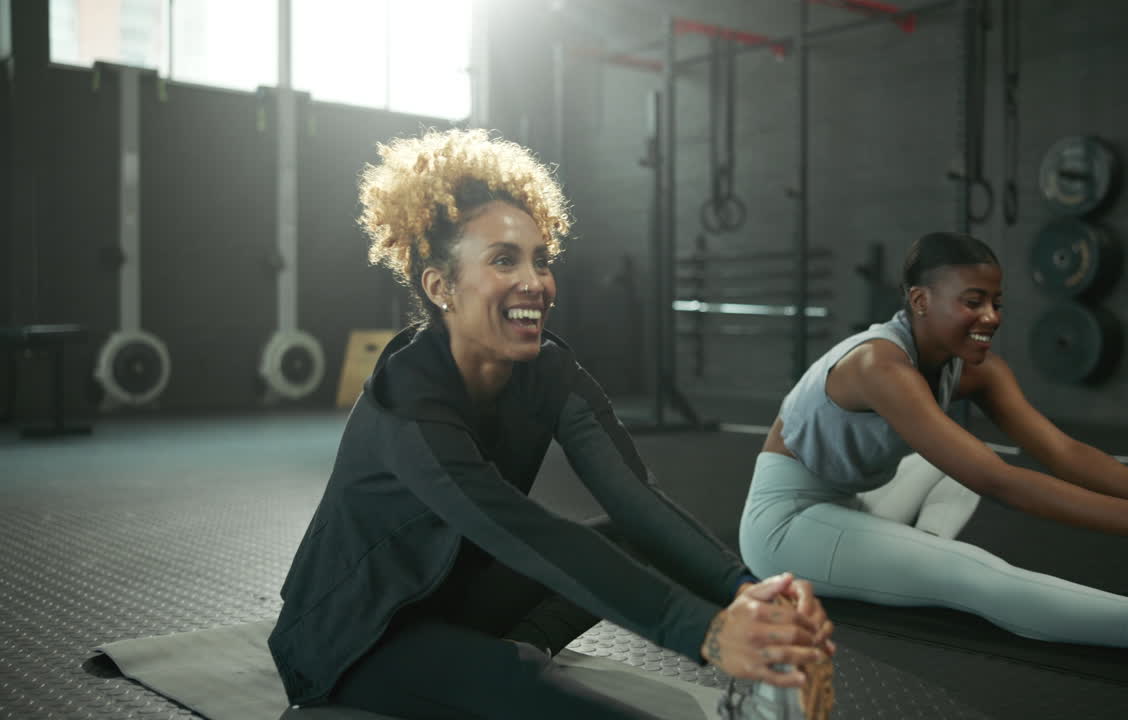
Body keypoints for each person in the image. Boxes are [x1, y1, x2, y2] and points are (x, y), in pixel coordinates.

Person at [267, 128, 835, 720]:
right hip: (356, 635)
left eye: (541, 259)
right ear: (441, 288)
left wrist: (750, 593)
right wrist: (709, 633)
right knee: (520, 686)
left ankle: (501, 652)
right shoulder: (408, 402)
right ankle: (493, 665)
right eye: (503, 260)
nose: (534, 282)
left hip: (454, 595)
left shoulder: (548, 370)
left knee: (628, 541)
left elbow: (635, 499)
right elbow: (521, 530)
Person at [738, 231, 1128, 680]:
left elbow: (1060, 449)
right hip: (786, 526)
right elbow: (1000, 481)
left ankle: (906, 556)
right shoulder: (878, 367)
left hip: (847, 502)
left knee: (952, 464)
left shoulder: (973, 368)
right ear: (921, 301)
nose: (992, 317)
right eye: (972, 301)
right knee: (972, 570)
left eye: (997, 303)